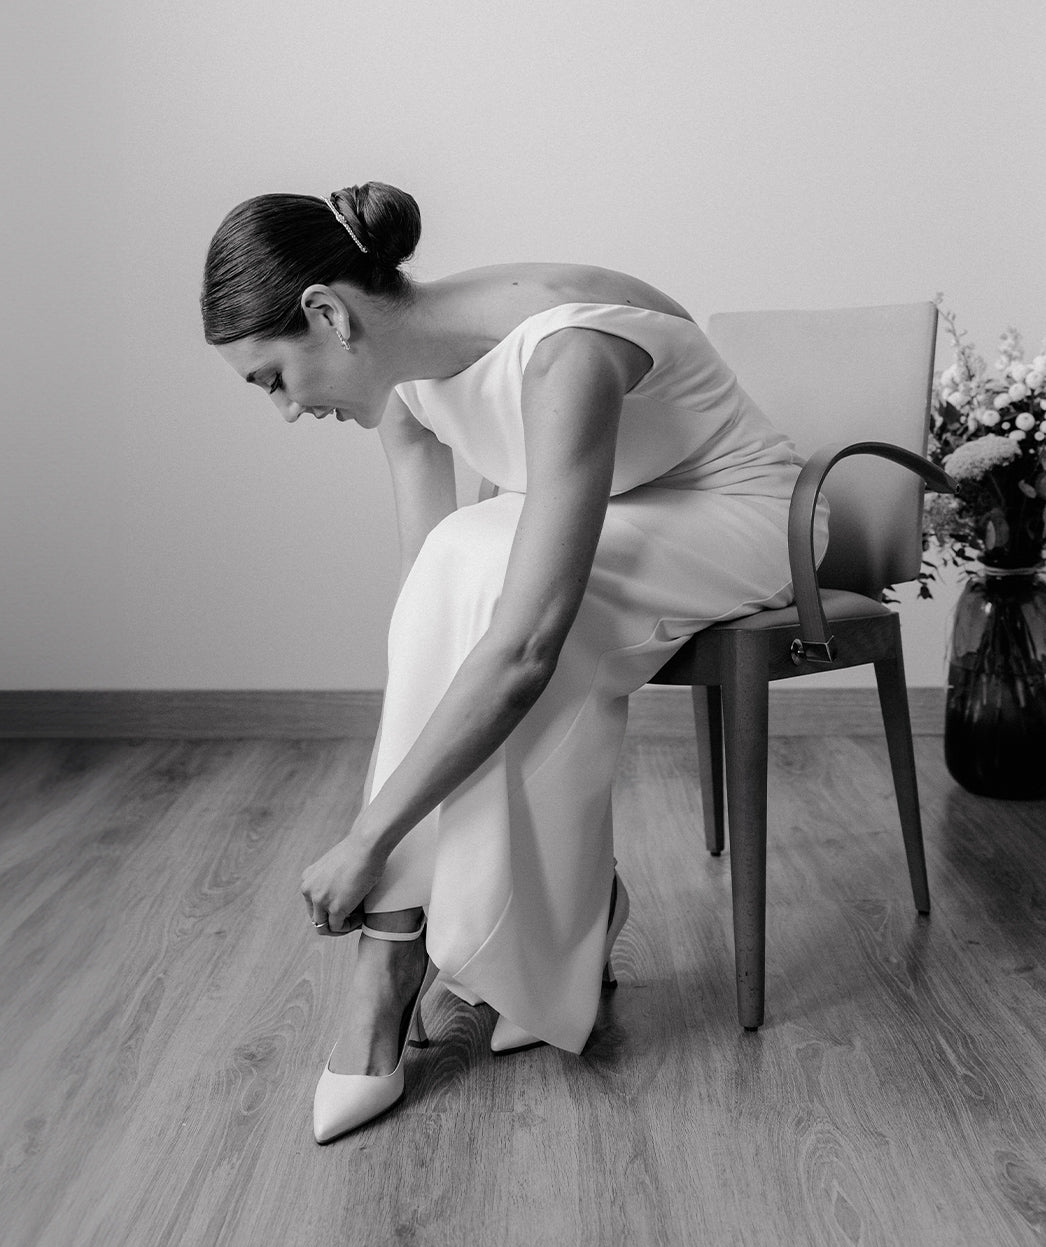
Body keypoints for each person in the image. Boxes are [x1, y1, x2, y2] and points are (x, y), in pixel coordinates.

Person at [201, 180, 828, 1143]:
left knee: (494, 577)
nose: (285, 409)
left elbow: (526, 649)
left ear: (327, 313)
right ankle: (514, 926)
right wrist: (399, 792)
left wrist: (369, 838)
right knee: (459, 569)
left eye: (273, 378)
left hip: (742, 511)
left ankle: (392, 961)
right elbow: (426, 610)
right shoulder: (403, 379)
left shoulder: (564, 354)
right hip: (623, 506)